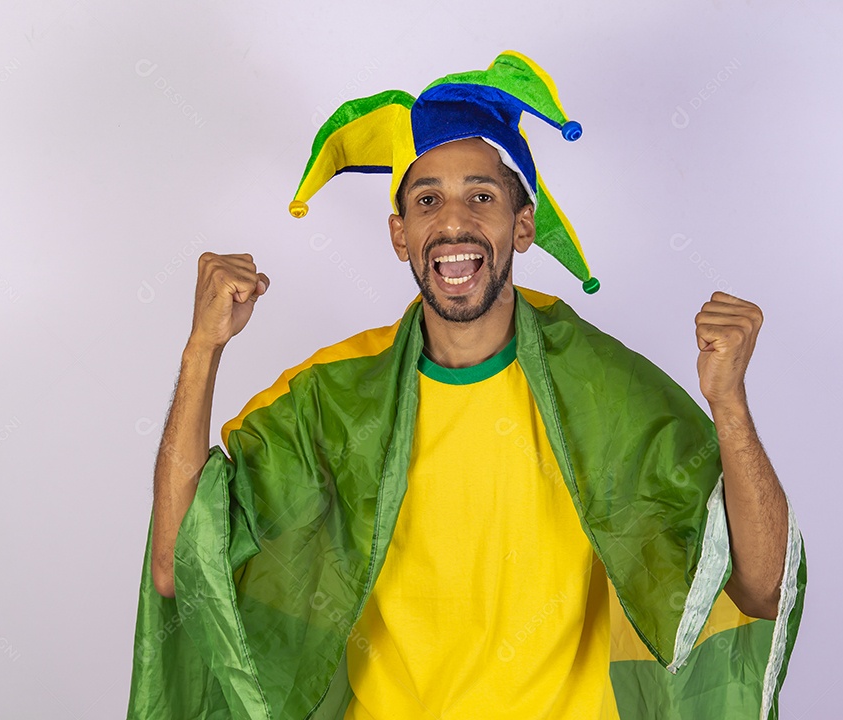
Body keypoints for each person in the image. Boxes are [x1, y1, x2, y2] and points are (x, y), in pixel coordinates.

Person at [127, 52, 806, 720]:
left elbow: (764, 586)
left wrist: (729, 403)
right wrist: (202, 351)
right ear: (401, 234)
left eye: (481, 195)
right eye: (428, 200)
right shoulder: (331, 403)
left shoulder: (604, 390)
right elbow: (175, 569)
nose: (454, 221)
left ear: (522, 226)